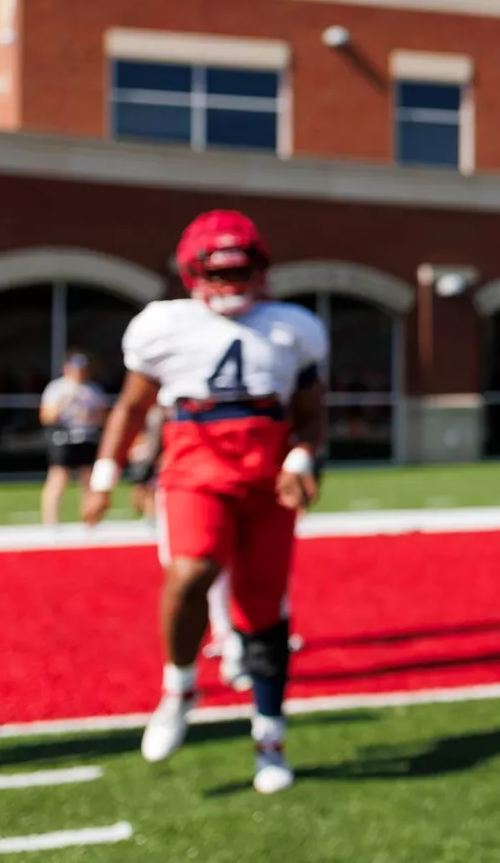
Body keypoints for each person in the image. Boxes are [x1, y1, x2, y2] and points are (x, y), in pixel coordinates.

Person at [82, 210, 326, 793]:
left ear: (261, 269)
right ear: (192, 272)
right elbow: (131, 408)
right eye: (218, 270)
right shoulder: (163, 325)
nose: (231, 282)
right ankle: (179, 684)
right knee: (190, 573)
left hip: (267, 479)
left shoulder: (295, 326)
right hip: (195, 468)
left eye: (241, 269)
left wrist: (301, 458)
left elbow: (313, 415)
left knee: (263, 611)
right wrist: (104, 473)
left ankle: (269, 739)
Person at [39, 350, 108, 525]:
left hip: (86, 436)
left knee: (89, 478)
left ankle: (89, 518)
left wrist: (90, 416)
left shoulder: (93, 390)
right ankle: (50, 520)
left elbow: (103, 417)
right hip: (63, 436)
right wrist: (64, 402)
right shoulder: (57, 388)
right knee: (59, 476)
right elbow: (46, 416)